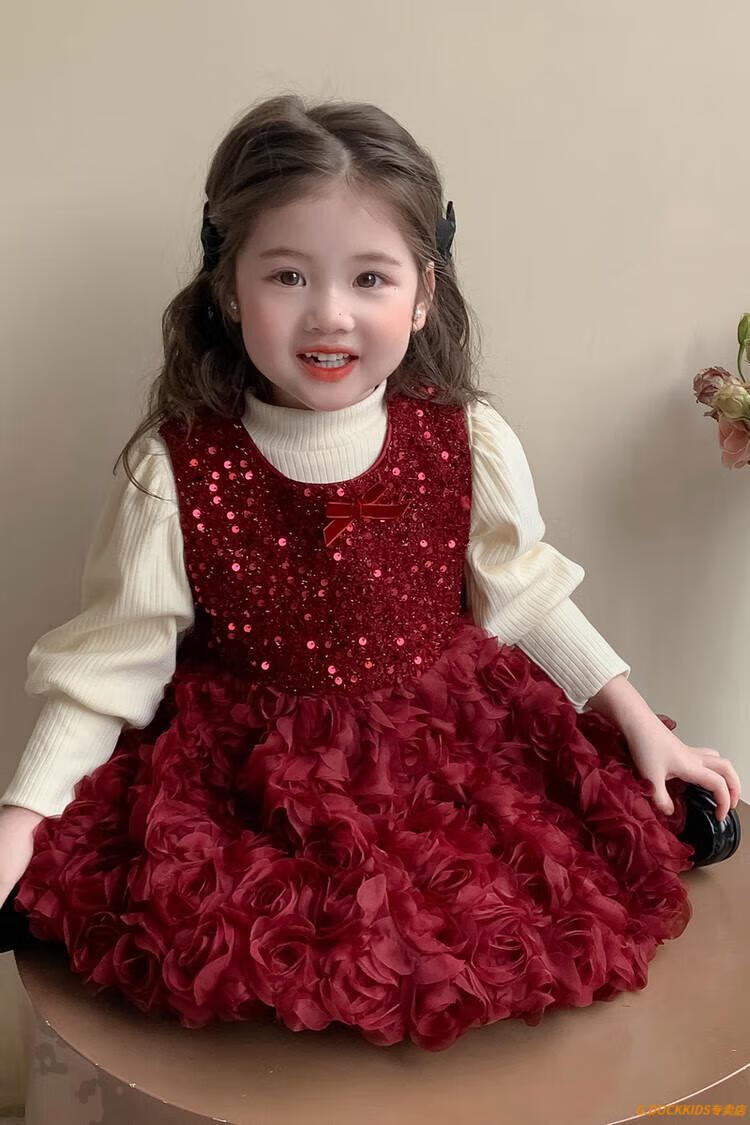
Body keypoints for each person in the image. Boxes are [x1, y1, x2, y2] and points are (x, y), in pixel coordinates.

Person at [0, 93, 742, 1053]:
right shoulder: (172, 469)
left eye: (370, 277)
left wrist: (637, 722)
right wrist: (21, 818)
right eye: (287, 275)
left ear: (423, 294)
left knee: (521, 892)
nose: (329, 313)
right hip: (251, 782)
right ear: (229, 289)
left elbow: (524, 593)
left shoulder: (465, 437)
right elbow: (111, 663)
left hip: (449, 755)